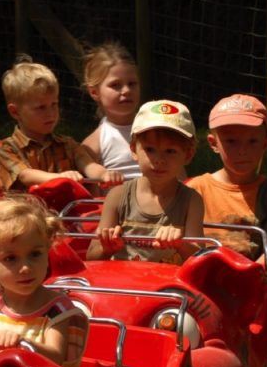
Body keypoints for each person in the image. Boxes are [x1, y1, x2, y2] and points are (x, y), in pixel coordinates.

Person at [0, 195, 89, 367]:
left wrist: (23, 345)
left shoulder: (59, 310)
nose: (25, 267)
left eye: (35, 254)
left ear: (48, 252)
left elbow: (56, 357)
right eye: (10, 258)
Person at [87, 100, 204, 264]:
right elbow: (91, 256)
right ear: (134, 150)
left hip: (169, 286)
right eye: (150, 149)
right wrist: (106, 248)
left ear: (188, 155)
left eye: (170, 151)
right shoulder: (118, 196)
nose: (159, 160)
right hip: (123, 285)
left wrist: (181, 244)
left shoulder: (191, 201)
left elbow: (200, 260)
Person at [185, 94, 267, 263]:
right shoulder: (194, 190)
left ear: (265, 144)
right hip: (196, 276)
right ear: (213, 143)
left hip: (250, 279)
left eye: (252, 141)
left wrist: (249, 276)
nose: (242, 150)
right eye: (231, 141)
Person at [0, 57, 123, 193]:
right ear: (15, 112)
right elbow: (25, 175)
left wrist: (103, 174)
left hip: (65, 209)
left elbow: (88, 165)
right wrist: (59, 178)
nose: (50, 113)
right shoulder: (8, 149)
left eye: (54, 104)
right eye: (41, 107)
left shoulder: (68, 145)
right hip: (24, 210)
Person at [80, 42, 143, 179]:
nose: (126, 90)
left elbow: (179, 177)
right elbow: (93, 195)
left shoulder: (156, 128)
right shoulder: (93, 144)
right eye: (115, 85)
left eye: (132, 83)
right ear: (95, 92)